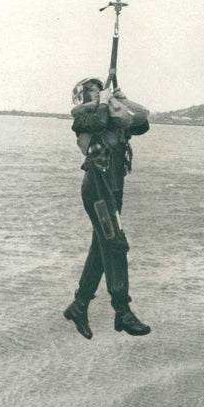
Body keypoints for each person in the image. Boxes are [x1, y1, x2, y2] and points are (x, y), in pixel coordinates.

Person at [63, 76, 152, 339]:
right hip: (97, 186)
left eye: (100, 89)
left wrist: (122, 100)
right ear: (81, 98)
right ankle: (122, 311)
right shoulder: (81, 120)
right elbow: (99, 121)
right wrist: (102, 102)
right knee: (115, 243)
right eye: (92, 91)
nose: (98, 93)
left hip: (114, 185)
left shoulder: (111, 114)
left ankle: (79, 305)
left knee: (101, 249)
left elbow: (142, 125)